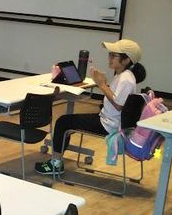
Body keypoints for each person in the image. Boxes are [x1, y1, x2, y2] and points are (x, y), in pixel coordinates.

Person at [35, 39, 147, 175]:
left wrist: (101, 84)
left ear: (126, 60)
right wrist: (104, 83)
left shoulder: (126, 79)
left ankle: (56, 164)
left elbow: (118, 105)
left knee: (63, 122)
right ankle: (57, 159)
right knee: (67, 122)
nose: (109, 58)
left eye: (114, 56)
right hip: (109, 120)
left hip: (109, 125)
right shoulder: (123, 75)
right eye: (110, 54)